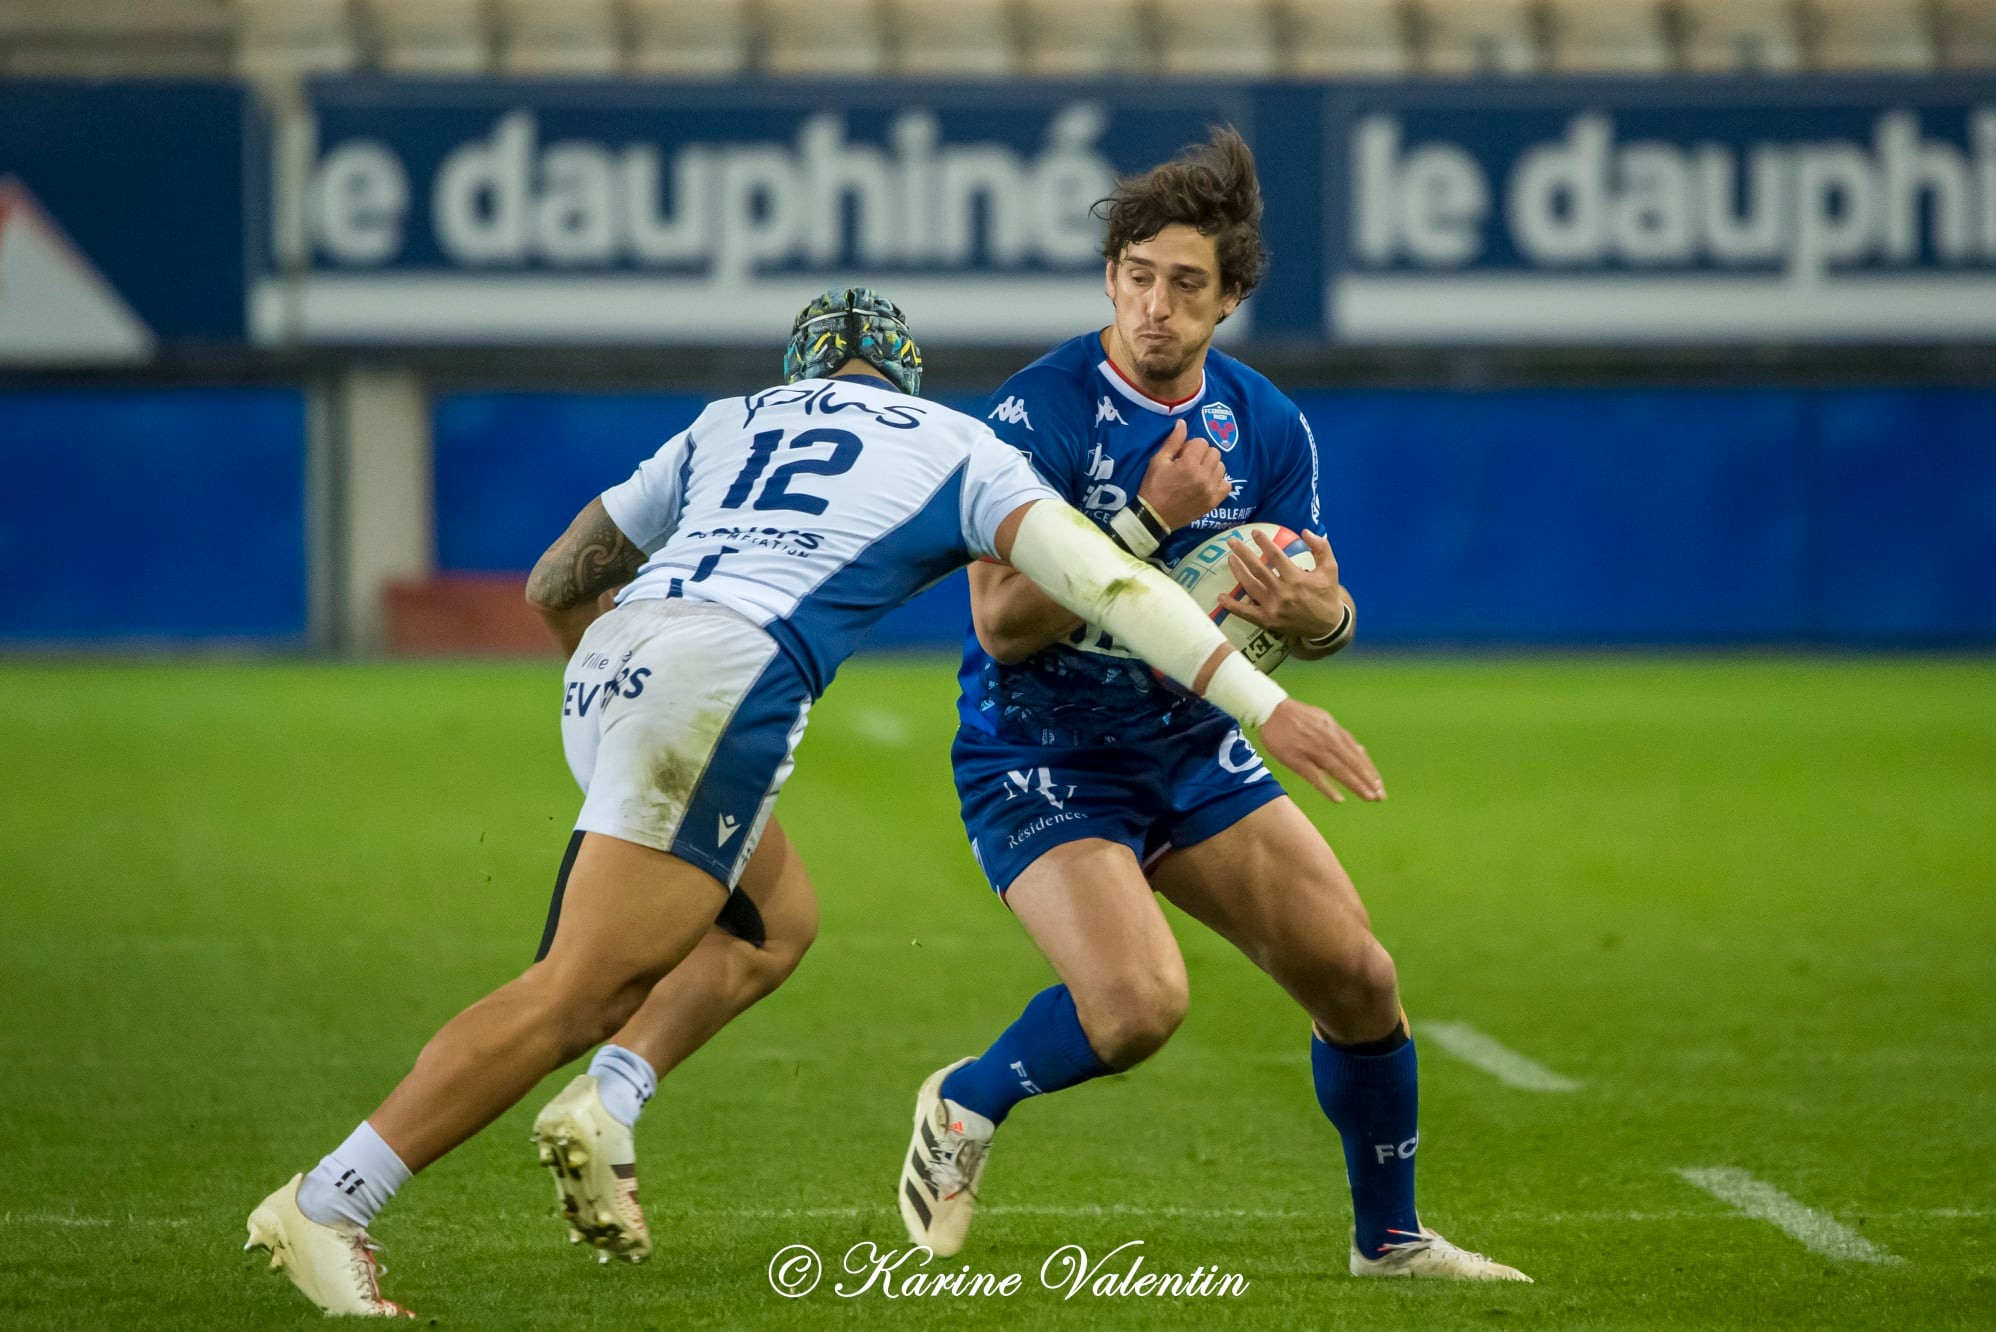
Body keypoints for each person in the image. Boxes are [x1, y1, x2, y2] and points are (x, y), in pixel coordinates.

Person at [242, 286, 1384, 1316]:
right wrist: (1264, 705)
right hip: (721, 686)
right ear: (905, 376)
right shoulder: (956, 443)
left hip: (618, 663)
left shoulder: (728, 420)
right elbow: (1114, 584)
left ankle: (612, 1099)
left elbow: (554, 583)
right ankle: (332, 1202)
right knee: (576, 993)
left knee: (774, 925)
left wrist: (623, 698)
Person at [895, 127, 1531, 1282]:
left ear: (1229, 299)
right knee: (1136, 1009)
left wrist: (1321, 615)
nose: (1156, 307)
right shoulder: (1038, 413)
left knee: (1359, 979)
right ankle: (966, 1100)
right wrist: (1145, 518)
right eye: (1137, 277)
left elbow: (1315, 620)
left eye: (1186, 285)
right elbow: (999, 622)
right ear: (1109, 277)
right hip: (1042, 756)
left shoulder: (1266, 424)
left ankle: (1388, 1241)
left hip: (1190, 750)